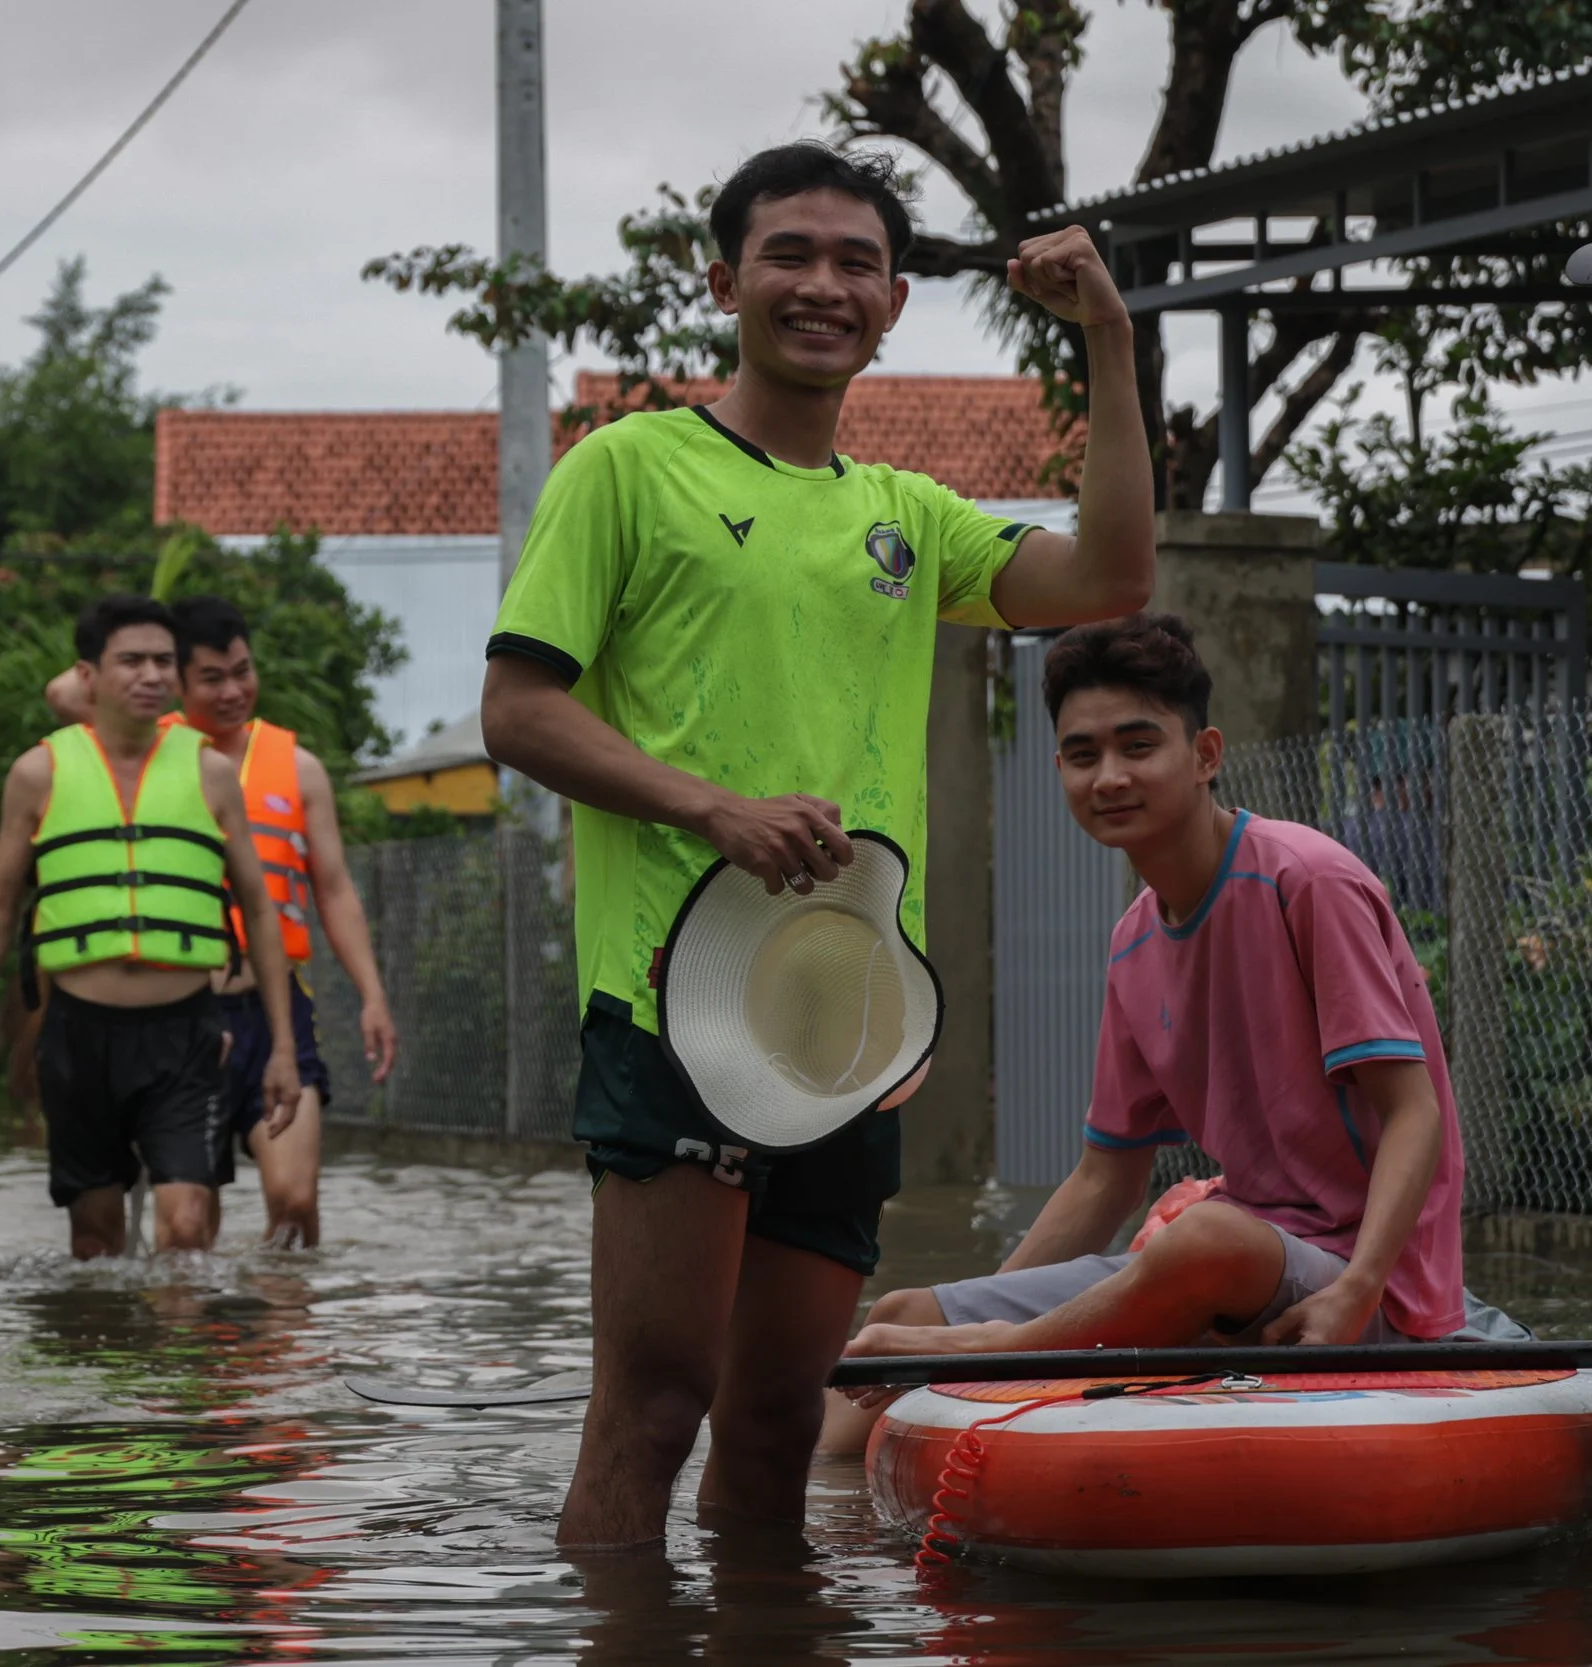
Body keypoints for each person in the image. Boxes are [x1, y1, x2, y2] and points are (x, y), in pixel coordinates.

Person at [477, 142, 1156, 1549]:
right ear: (723, 280)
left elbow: (1109, 576)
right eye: (789, 253)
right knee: (654, 1406)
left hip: (845, 1021)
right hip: (672, 999)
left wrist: (1107, 335)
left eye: (857, 263)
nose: (823, 285)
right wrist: (708, 805)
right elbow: (518, 709)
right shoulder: (627, 469)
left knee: (783, 1419)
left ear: (896, 302)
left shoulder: (904, 515)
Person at [831, 614, 1497, 1418]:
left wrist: (1357, 1287)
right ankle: (810, 1512)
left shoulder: (1308, 881)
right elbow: (1105, 1176)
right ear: (1060, 770)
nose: (1109, 775)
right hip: (1244, 1255)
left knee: (1204, 1238)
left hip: (1363, 1280)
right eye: (1083, 754)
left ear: (1205, 755)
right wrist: (997, 1301)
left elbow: (1413, 1109)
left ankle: (988, 1353)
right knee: (903, 1315)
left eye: (1137, 745)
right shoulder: (1132, 942)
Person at [0, 593, 301, 1259]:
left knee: (186, 1228)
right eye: (131, 660)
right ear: (89, 675)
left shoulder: (212, 773)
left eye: (164, 661)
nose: (151, 675)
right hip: (78, 1035)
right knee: (95, 1239)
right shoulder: (37, 773)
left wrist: (281, 1046)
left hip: (185, 1033)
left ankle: (176, 1363)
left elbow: (260, 912)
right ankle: (108, 1357)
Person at [44, 595, 399, 1248]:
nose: (234, 689)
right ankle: (206, 1345)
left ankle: (282, 1339)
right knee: (190, 1227)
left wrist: (372, 993)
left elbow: (336, 891)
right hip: (185, 1008)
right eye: (212, 675)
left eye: (244, 670)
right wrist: (153, 652)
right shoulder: (154, 745)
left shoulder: (299, 767)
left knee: (294, 1200)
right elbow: (64, 688)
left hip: (272, 1007)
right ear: (179, 676)